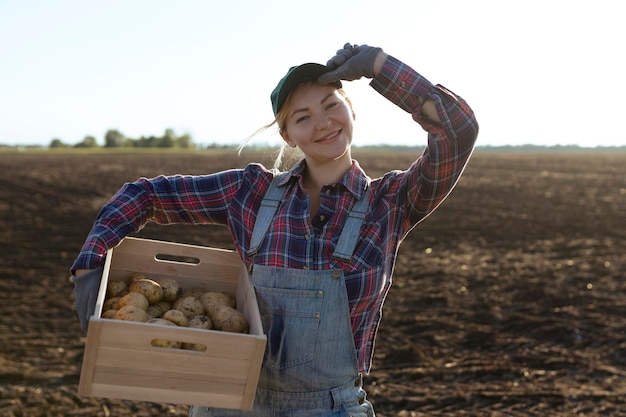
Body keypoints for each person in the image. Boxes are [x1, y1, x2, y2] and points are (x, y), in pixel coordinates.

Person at [71, 43, 479, 417]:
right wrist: (92, 261)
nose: (322, 123)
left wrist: (380, 67)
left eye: (330, 105)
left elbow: (458, 131)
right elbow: (145, 195)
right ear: (287, 135)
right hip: (230, 404)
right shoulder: (250, 192)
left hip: (329, 409)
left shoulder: (390, 202)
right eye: (303, 117)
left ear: (352, 109)